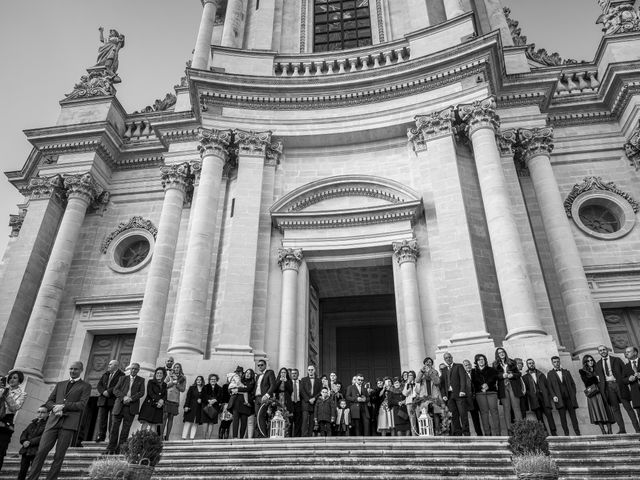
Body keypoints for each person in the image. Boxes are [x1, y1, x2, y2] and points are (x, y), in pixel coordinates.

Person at [26, 361, 91, 480]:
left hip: (68, 424)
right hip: (53, 422)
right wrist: (55, 407)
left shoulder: (86, 386)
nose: (72, 371)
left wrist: (64, 406)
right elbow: (49, 402)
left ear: (81, 370)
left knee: (59, 456)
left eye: (75, 369)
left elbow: (82, 405)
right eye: (71, 369)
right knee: (41, 452)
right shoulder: (60, 384)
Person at [595, 344, 640, 433]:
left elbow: (625, 372)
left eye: (604, 349)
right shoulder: (598, 364)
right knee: (615, 409)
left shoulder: (616, 360)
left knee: (628, 407)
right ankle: (622, 430)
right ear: (599, 352)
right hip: (608, 387)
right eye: (600, 350)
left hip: (619, 385)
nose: (602, 351)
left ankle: (637, 429)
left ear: (607, 350)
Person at [106, 363, 145, 454]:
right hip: (119, 405)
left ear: (138, 370)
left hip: (131, 407)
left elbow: (142, 392)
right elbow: (116, 390)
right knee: (114, 428)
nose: (133, 370)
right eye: (132, 368)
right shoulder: (122, 378)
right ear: (130, 369)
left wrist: (131, 399)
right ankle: (110, 448)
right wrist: (124, 397)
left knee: (125, 429)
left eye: (135, 369)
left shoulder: (141, 380)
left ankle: (121, 449)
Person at [579, 354, 614, 434]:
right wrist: (596, 378)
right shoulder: (582, 371)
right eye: (588, 361)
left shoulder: (598, 368)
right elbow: (586, 382)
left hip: (602, 391)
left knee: (607, 410)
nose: (590, 362)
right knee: (597, 411)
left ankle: (610, 430)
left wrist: (596, 379)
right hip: (593, 393)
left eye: (591, 360)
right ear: (585, 362)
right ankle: (603, 431)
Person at [547, 355, 581, 436]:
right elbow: (549, 387)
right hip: (559, 399)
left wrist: (573, 394)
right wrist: (553, 396)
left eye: (558, 361)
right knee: (563, 418)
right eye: (554, 362)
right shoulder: (550, 374)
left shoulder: (566, 372)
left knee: (573, 417)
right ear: (552, 363)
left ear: (560, 362)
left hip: (569, 398)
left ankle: (578, 433)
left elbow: (573, 384)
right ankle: (566, 434)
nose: (557, 363)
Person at [522, 359, 557, 436]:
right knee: (539, 418)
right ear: (527, 365)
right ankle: (545, 433)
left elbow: (548, 386)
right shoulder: (525, 377)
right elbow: (525, 389)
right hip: (535, 400)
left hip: (544, 398)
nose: (531, 364)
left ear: (534, 364)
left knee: (549, 415)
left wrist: (548, 394)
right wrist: (531, 394)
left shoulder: (541, 374)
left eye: (532, 363)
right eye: (529, 363)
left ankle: (554, 433)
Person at [493, 348, 523, 434]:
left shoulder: (512, 362)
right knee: (506, 409)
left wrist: (512, 375)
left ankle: (521, 429)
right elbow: (494, 376)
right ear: (497, 355)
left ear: (505, 353)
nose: (501, 354)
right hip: (503, 388)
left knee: (516, 408)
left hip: (513, 386)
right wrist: (502, 375)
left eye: (502, 352)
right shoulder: (495, 365)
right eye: (499, 353)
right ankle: (510, 430)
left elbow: (519, 373)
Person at [1, 370, 26, 470]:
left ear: (20, 380)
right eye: (10, 377)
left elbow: (15, 407)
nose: (11, 379)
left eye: (15, 378)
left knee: (0, 450)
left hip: (5, 424)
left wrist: (7, 394)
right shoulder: (2, 389)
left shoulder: (22, 394)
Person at [95, 359, 124, 442]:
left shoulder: (122, 375)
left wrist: (108, 392)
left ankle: (111, 437)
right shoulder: (105, 374)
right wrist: (103, 392)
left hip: (113, 400)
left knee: (112, 420)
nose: (108, 366)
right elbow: (99, 385)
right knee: (101, 419)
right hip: (103, 400)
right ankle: (101, 436)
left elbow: (118, 386)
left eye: (110, 364)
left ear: (116, 366)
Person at [441, 352, 469, 436]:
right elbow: (442, 384)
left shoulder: (459, 366)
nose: (448, 359)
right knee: (454, 416)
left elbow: (463, 379)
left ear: (452, 358)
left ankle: (466, 433)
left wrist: (462, 390)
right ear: (444, 360)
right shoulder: (444, 370)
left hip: (459, 394)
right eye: (446, 358)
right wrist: (444, 395)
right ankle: (458, 433)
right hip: (449, 396)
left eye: (449, 357)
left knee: (463, 414)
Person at [471, 354, 500, 436]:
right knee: (484, 413)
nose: (481, 361)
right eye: (479, 359)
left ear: (485, 360)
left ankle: (498, 434)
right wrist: (481, 387)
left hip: (491, 392)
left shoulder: (492, 370)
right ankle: (488, 434)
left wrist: (487, 384)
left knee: (494, 412)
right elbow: (473, 382)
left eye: (483, 359)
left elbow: (494, 378)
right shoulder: (473, 371)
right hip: (480, 394)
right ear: (476, 361)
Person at [17, 406, 48, 480]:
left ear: (47, 414)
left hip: (36, 451)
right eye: (39, 412)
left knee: (34, 472)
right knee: (22, 471)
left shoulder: (48, 425)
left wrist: (30, 442)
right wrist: (23, 441)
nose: (40, 414)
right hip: (26, 450)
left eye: (43, 412)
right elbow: (24, 433)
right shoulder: (32, 424)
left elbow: (43, 437)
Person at [138, 367, 167, 432]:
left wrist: (162, 401)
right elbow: (150, 393)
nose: (159, 374)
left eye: (160, 373)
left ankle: (152, 440)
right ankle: (141, 440)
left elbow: (165, 395)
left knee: (154, 424)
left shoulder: (165, 385)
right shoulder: (151, 382)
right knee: (145, 424)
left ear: (163, 375)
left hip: (158, 407)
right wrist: (159, 400)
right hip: (149, 405)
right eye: (157, 373)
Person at [163, 362, 186, 440]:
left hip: (175, 399)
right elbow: (164, 385)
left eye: (178, 367)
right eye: (175, 367)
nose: (176, 369)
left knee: (171, 417)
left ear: (180, 369)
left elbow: (183, 389)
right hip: (167, 398)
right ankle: (160, 435)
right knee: (164, 416)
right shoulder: (169, 375)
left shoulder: (183, 378)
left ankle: (167, 436)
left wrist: (177, 383)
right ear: (173, 368)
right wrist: (172, 382)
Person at [229, 368, 255, 439]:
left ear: (251, 375)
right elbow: (230, 388)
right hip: (236, 402)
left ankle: (241, 438)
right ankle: (235, 437)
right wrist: (232, 390)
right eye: (247, 372)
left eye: (249, 373)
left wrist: (237, 389)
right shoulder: (239, 379)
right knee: (235, 420)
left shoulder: (252, 383)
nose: (247, 374)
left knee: (244, 421)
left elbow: (248, 389)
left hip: (245, 404)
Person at [254, 360, 277, 437]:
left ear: (265, 365)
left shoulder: (270, 372)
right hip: (257, 397)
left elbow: (273, 385)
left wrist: (267, 395)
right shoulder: (257, 376)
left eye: (261, 365)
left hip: (264, 397)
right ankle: (259, 434)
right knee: (258, 416)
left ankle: (263, 435)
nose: (260, 366)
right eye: (258, 365)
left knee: (261, 415)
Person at [300, 365, 321, 437]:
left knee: (312, 420)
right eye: (309, 370)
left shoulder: (319, 380)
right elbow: (302, 391)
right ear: (307, 371)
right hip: (306, 402)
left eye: (312, 370)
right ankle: (304, 436)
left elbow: (320, 391)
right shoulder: (303, 379)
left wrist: (314, 398)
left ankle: (310, 435)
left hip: (315, 402)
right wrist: (308, 399)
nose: (310, 371)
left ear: (314, 370)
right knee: (305, 420)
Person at [182, 375, 205, 440]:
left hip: (199, 409)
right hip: (191, 407)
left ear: (202, 381)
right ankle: (184, 437)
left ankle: (192, 438)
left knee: (195, 423)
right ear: (196, 380)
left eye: (200, 380)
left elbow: (205, 398)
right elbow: (188, 398)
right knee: (188, 422)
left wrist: (202, 400)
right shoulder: (192, 388)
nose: (198, 381)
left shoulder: (204, 389)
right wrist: (186, 406)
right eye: (197, 379)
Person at [463, 359, 482, 436]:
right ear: (464, 367)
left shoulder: (475, 372)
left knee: (484, 416)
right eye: (466, 365)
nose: (468, 366)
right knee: (475, 418)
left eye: (469, 364)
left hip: (479, 397)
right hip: (470, 400)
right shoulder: (463, 375)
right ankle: (479, 434)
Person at [202, 374, 222, 439]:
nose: (213, 380)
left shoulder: (219, 388)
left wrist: (215, 400)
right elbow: (203, 396)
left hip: (214, 407)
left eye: (214, 379)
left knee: (211, 422)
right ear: (209, 380)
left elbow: (220, 397)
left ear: (216, 380)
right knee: (205, 422)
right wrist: (209, 401)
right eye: (211, 379)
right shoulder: (205, 387)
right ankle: (204, 438)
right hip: (206, 406)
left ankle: (209, 438)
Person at [402, 370, 418, 435]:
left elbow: (419, 391)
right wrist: (408, 389)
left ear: (414, 376)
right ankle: (414, 434)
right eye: (408, 375)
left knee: (419, 417)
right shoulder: (406, 384)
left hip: (417, 401)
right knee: (412, 418)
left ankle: (421, 433)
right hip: (409, 402)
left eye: (411, 375)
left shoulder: (417, 382)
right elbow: (404, 394)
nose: (409, 376)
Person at [290, 368, 303, 437]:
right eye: (292, 373)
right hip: (290, 404)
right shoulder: (288, 383)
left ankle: (297, 437)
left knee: (298, 421)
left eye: (295, 373)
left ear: (298, 374)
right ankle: (289, 436)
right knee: (290, 421)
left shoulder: (301, 383)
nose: (294, 375)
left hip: (298, 403)